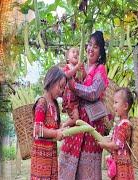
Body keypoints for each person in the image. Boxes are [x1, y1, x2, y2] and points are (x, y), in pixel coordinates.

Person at [59, 31, 109, 180]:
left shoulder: (101, 69)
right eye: (89, 45)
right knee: (69, 161)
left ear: (100, 52)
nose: (90, 49)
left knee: (88, 167)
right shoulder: (80, 67)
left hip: (92, 124)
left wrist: (75, 87)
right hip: (78, 122)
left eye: (96, 46)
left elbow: (94, 92)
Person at [31, 65, 66, 180]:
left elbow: (55, 126)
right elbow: (37, 129)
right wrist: (56, 134)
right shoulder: (42, 103)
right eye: (60, 87)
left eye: (63, 88)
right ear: (51, 81)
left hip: (51, 157)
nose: (61, 91)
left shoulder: (55, 105)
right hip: (41, 157)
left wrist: (62, 130)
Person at [99, 88, 135, 180]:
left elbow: (116, 145)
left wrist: (104, 144)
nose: (113, 105)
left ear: (125, 106)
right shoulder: (122, 123)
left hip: (121, 165)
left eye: (116, 102)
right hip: (120, 162)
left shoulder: (124, 125)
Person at [61, 47, 86, 128]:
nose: (76, 54)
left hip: (77, 99)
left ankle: (68, 127)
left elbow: (84, 77)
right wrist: (76, 68)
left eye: (78, 53)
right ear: (68, 57)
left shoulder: (79, 68)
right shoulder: (67, 66)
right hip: (70, 99)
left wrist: (82, 70)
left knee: (76, 119)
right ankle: (63, 125)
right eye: (73, 52)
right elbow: (67, 75)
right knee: (75, 118)